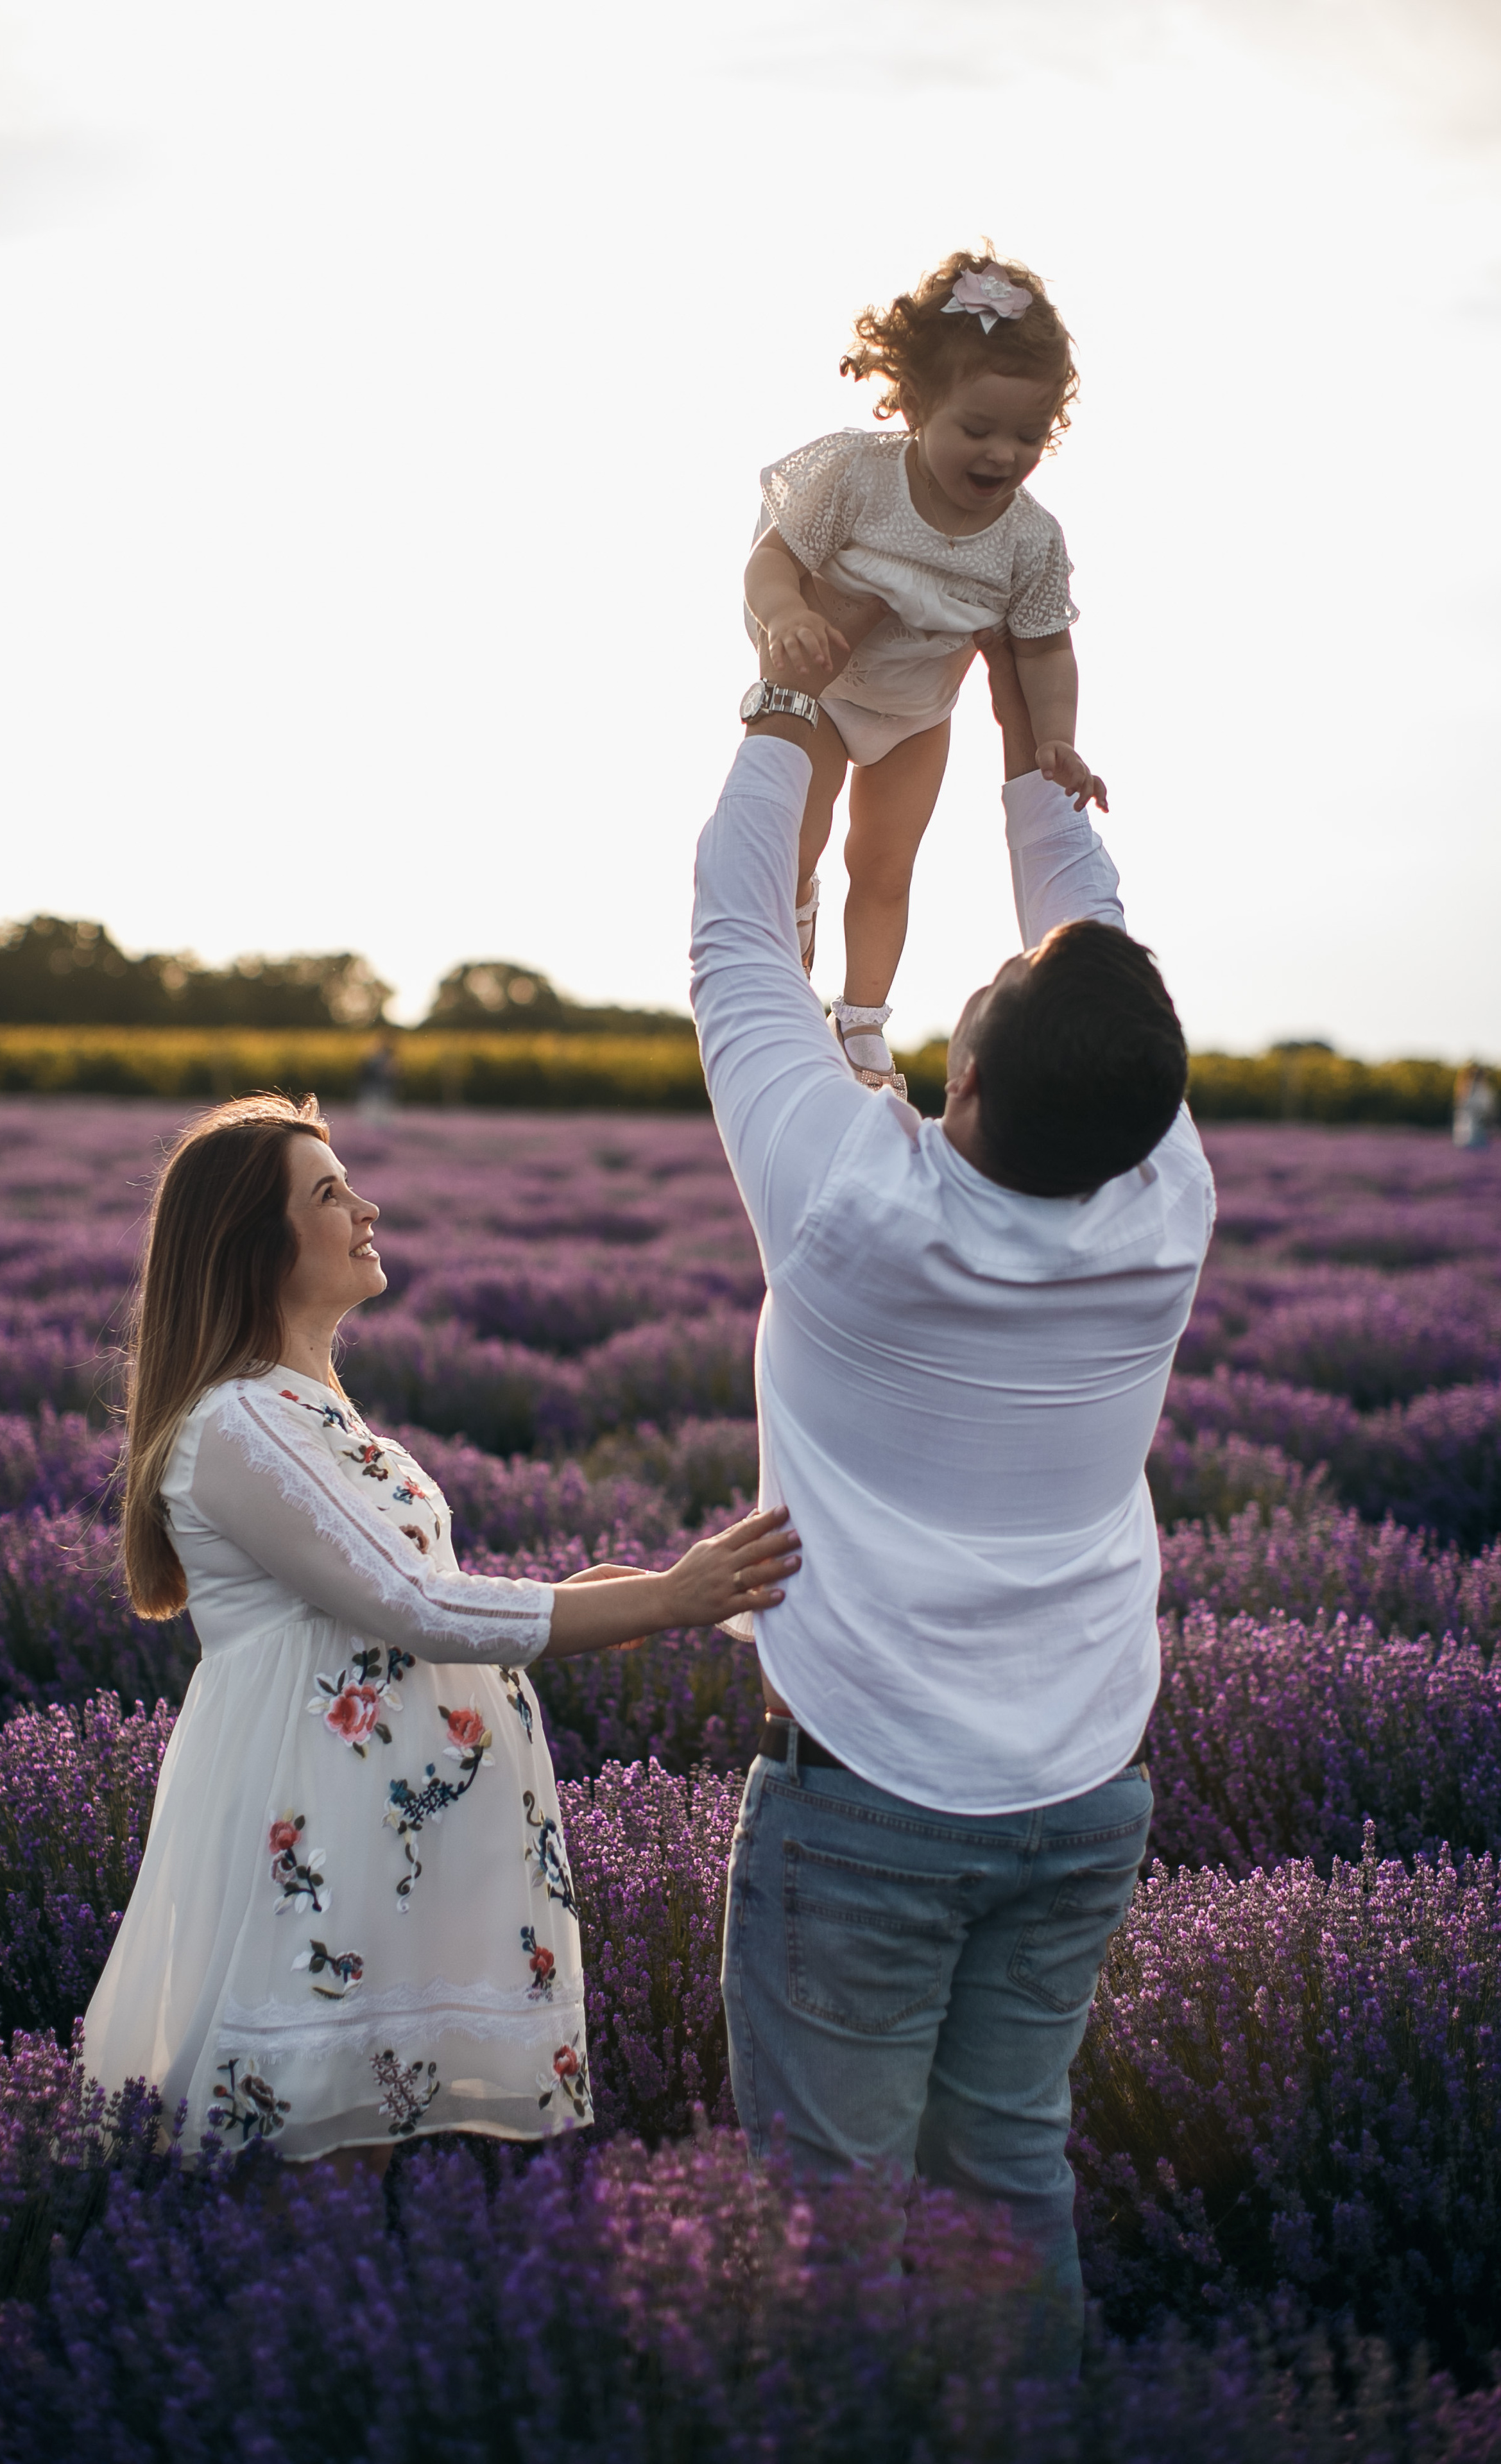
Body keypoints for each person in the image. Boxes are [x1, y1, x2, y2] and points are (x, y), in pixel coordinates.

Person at [691, 630, 1215, 2367]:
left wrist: (789, 706)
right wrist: (1032, 720)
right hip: (1081, 1788)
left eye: (976, 1002)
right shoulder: (1170, 1206)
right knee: (1006, 2175)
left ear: (963, 1081)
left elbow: (733, 935)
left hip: (874, 1797)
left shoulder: (853, 1202)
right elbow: (1097, 943)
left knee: (833, 2222)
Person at [83, 1094, 799, 2171]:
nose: (368, 1206)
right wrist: (667, 1597)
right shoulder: (235, 1423)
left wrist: (618, 1595)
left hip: (387, 1837)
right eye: (329, 1193)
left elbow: (416, 1596)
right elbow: (409, 1608)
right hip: (316, 1835)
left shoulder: (302, 1405)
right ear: (251, 1245)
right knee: (311, 2161)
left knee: (356, 2160)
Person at [742, 247, 1103, 1098]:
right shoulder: (856, 477)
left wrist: (1058, 740)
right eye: (977, 429)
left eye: (1027, 435)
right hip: (826, 690)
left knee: (888, 864)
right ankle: (791, 941)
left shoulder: (1029, 539)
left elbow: (1046, 649)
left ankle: (863, 1019)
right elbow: (771, 562)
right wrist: (789, 615)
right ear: (913, 404)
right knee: (804, 832)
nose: (1001, 454)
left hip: (918, 712)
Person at [1453, 1063, 1495, 1151]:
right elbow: (1462, 1102)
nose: (1474, 1077)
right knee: (1469, 1138)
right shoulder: (1467, 1086)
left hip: (1477, 1117)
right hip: (1469, 1117)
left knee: (1476, 1139)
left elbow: (1487, 1103)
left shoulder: (1483, 1087)